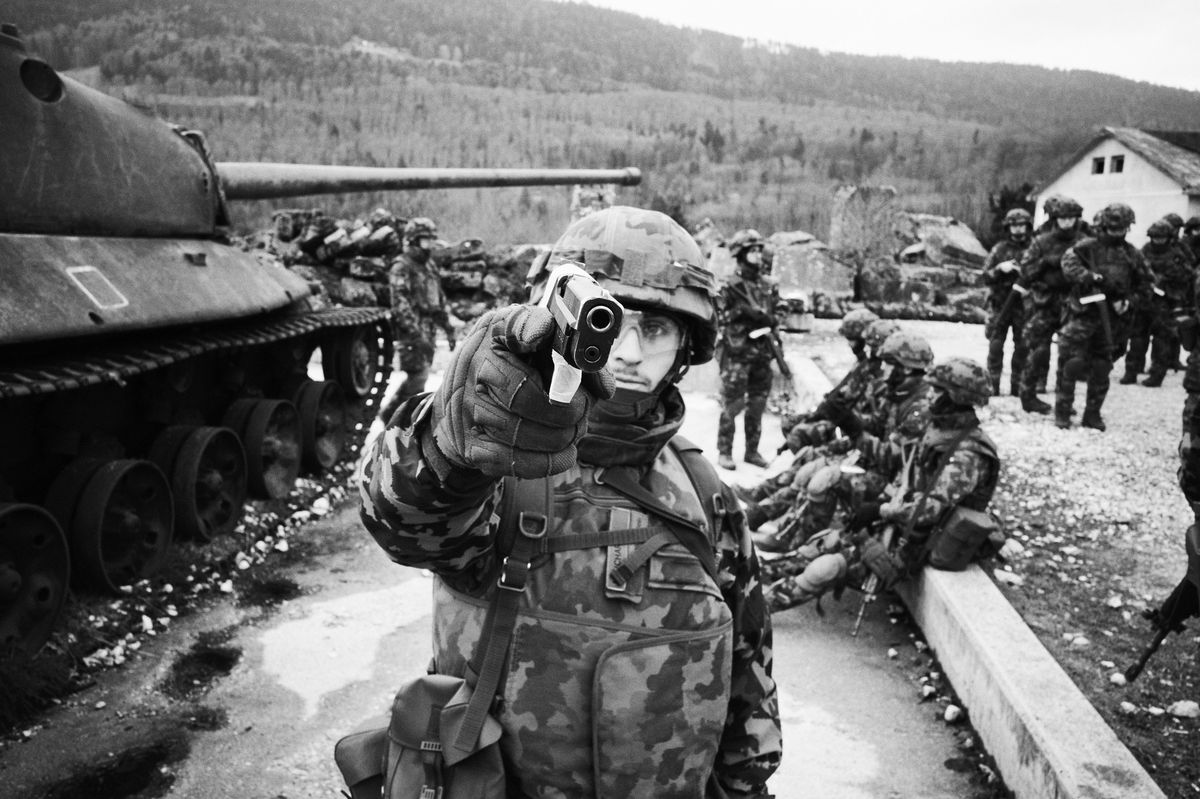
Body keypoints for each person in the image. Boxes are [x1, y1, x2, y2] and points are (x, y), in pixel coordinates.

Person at [359, 206, 781, 798]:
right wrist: (449, 442)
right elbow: (402, 519)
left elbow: (749, 686)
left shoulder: (704, 493)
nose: (631, 353)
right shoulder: (498, 466)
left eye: (656, 330)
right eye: (611, 324)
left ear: (688, 347)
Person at [1057, 203, 1155, 430]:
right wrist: (1091, 278)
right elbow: (1069, 265)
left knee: (1102, 367)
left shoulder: (1132, 255)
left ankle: (1092, 414)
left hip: (1112, 321)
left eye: (1121, 229)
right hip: (1083, 316)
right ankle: (1062, 412)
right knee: (1071, 364)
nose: (1116, 233)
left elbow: (1148, 285)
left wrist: (1129, 302)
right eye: (1112, 228)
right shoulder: (1086, 248)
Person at [378, 217, 457, 421]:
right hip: (410, 332)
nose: (429, 245)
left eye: (431, 240)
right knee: (417, 379)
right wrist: (415, 334)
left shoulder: (429, 266)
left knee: (419, 379)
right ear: (413, 240)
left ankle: (394, 417)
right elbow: (400, 304)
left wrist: (447, 328)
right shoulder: (401, 266)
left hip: (428, 329)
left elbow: (437, 298)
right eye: (425, 240)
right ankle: (396, 420)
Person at [717, 228, 780, 470]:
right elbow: (720, 316)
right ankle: (725, 452)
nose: (757, 255)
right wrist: (741, 312)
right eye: (752, 250)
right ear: (741, 254)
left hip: (762, 353)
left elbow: (779, 307)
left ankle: (752, 451)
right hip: (738, 354)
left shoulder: (768, 284)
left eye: (758, 250)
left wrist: (773, 318)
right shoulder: (731, 285)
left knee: (757, 405)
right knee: (732, 404)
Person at [1017, 196, 1086, 414]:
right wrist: (1045, 263)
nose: (1067, 223)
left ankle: (1063, 402)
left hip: (1072, 303)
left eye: (1071, 218)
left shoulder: (1084, 242)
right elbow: (1026, 271)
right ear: (1055, 219)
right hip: (1044, 302)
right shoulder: (1041, 242)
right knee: (1038, 351)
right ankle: (1028, 397)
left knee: (1069, 356)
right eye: (1063, 218)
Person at [1127, 219, 1195, 387]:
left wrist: (1166, 279)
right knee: (1137, 337)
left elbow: (1188, 275)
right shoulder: (1145, 250)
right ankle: (1132, 371)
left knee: (1161, 340)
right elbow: (1136, 269)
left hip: (1165, 302)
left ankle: (1157, 374)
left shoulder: (1177, 253)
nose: (1157, 241)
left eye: (1161, 238)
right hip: (1145, 299)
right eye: (1155, 238)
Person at [982, 208, 1034, 396]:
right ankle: (992, 385)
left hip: (1023, 305)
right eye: (1014, 225)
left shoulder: (1034, 249)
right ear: (1008, 227)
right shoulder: (1000, 249)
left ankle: (1017, 385)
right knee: (995, 345)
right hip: (1000, 304)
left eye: (1021, 225)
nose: (1018, 229)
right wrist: (999, 269)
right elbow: (985, 276)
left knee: (1022, 346)